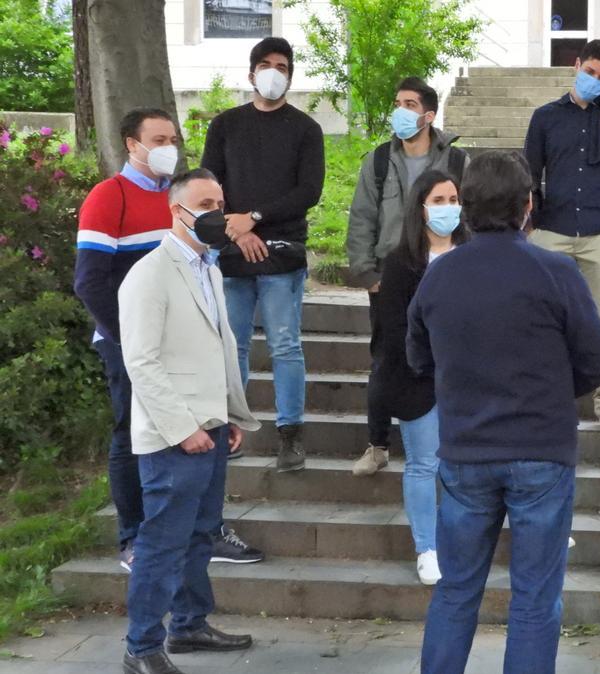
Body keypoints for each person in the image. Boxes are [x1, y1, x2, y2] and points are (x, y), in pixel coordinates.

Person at [410, 150, 600, 674]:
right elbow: (599, 361)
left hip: (465, 452)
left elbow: (417, 358)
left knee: (456, 592)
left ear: (467, 208)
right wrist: (547, 391)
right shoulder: (556, 272)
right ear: (528, 206)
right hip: (541, 451)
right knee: (534, 598)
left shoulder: (438, 277)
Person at [75, 108, 263, 574]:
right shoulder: (109, 197)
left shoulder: (182, 201)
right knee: (131, 433)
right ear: (131, 144)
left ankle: (208, 529)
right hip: (130, 342)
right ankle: (135, 536)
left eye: (172, 138)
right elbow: (90, 281)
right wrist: (129, 338)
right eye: (158, 139)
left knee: (208, 425)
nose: (168, 147)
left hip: (186, 346)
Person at [118, 169, 262, 674]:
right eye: (206, 202)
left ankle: (188, 624)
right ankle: (141, 647)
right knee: (162, 542)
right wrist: (184, 428)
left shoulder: (211, 268)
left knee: (201, 535)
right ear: (176, 211)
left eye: (221, 201)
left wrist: (231, 414)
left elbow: (220, 348)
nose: (217, 212)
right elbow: (142, 361)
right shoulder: (149, 274)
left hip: (213, 426)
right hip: (173, 436)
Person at [202, 37, 325, 473]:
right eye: (267, 64)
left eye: (284, 66)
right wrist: (236, 230)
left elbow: (308, 191)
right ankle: (229, 427)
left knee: (285, 345)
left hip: (282, 253)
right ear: (252, 71)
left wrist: (254, 217)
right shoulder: (225, 125)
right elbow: (209, 188)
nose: (275, 72)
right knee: (231, 344)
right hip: (232, 252)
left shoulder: (306, 130)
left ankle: (290, 434)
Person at [346, 77, 470, 476]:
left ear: (429, 115)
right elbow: (362, 216)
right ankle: (377, 443)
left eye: (410, 103)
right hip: (390, 278)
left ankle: (451, 438)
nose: (400, 110)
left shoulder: (456, 161)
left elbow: (470, 217)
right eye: (397, 102)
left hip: (445, 273)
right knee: (385, 360)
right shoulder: (379, 160)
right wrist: (367, 273)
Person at [523, 38, 600, 435]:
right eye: (590, 72)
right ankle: (540, 402)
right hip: (551, 230)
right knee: (538, 321)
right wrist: (530, 223)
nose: (595, 81)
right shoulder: (544, 117)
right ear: (576, 66)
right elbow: (529, 175)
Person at [360, 169, 469, 585]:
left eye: (453, 199)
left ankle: (463, 542)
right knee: (424, 464)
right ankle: (427, 547)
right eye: (438, 201)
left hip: (468, 380)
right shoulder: (401, 262)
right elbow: (394, 327)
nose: (448, 208)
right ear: (420, 208)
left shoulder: (472, 253)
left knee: (466, 466)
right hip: (417, 378)